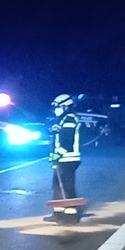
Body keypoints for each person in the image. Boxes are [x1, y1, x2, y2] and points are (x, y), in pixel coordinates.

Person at [48, 93, 82, 221]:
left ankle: (71, 215)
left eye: (57, 106)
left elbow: (67, 141)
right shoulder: (64, 119)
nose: (55, 109)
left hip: (68, 159)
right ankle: (58, 212)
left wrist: (57, 154)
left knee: (67, 186)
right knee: (57, 185)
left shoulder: (69, 119)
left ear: (65, 106)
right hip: (63, 159)